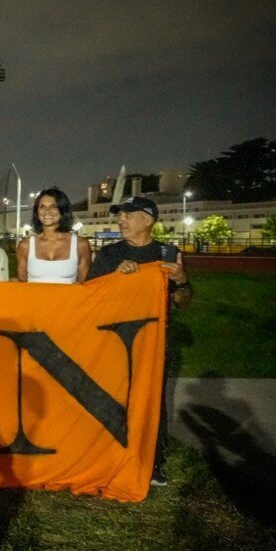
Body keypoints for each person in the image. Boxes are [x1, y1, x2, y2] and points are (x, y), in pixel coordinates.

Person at [86, 195, 192, 486]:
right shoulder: (109, 255)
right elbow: (90, 296)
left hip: (153, 342)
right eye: (119, 215)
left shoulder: (168, 254)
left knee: (152, 399)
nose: (120, 220)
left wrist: (181, 279)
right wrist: (116, 278)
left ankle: (153, 462)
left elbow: (183, 302)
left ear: (148, 220)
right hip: (114, 338)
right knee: (112, 397)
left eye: (127, 215)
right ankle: (110, 455)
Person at [17, 187, 92, 284]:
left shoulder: (81, 245)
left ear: (63, 210)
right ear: (37, 212)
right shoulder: (25, 246)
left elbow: (85, 285)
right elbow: (21, 284)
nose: (47, 211)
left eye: (53, 206)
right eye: (42, 207)